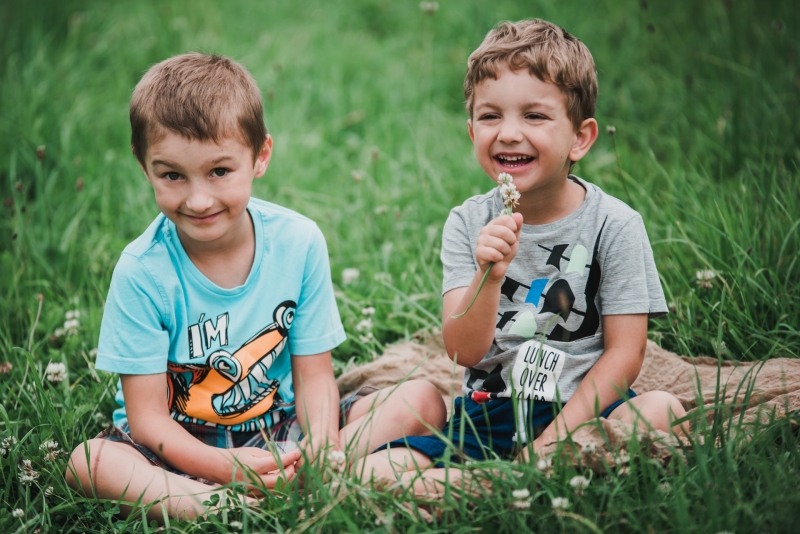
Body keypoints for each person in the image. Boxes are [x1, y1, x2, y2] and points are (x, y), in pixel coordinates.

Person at [65, 53, 447, 519]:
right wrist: (225, 467)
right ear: (143, 166)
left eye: (219, 171)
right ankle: (217, 506)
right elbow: (147, 420)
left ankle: (310, 476)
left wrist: (322, 448)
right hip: (176, 446)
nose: (198, 198)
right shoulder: (142, 272)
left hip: (278, 432)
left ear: (260, 156)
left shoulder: (298, 242)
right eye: (172, 175)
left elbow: (313, 375)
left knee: (422, 399)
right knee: (89, 462)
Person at [360, 19, 687, 493]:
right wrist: (488, 278)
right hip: (489, 414)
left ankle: (542, 468)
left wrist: (554, 440)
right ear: (472, 130)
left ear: (580, 137)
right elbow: (461, 350)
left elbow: (625, 353)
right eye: (491, 117)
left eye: (534, 116)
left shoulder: (614, 225)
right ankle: (495, 476)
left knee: (662, 409)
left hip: (585, 407)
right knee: (379, 471)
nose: (509, 133)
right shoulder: (467, 222)